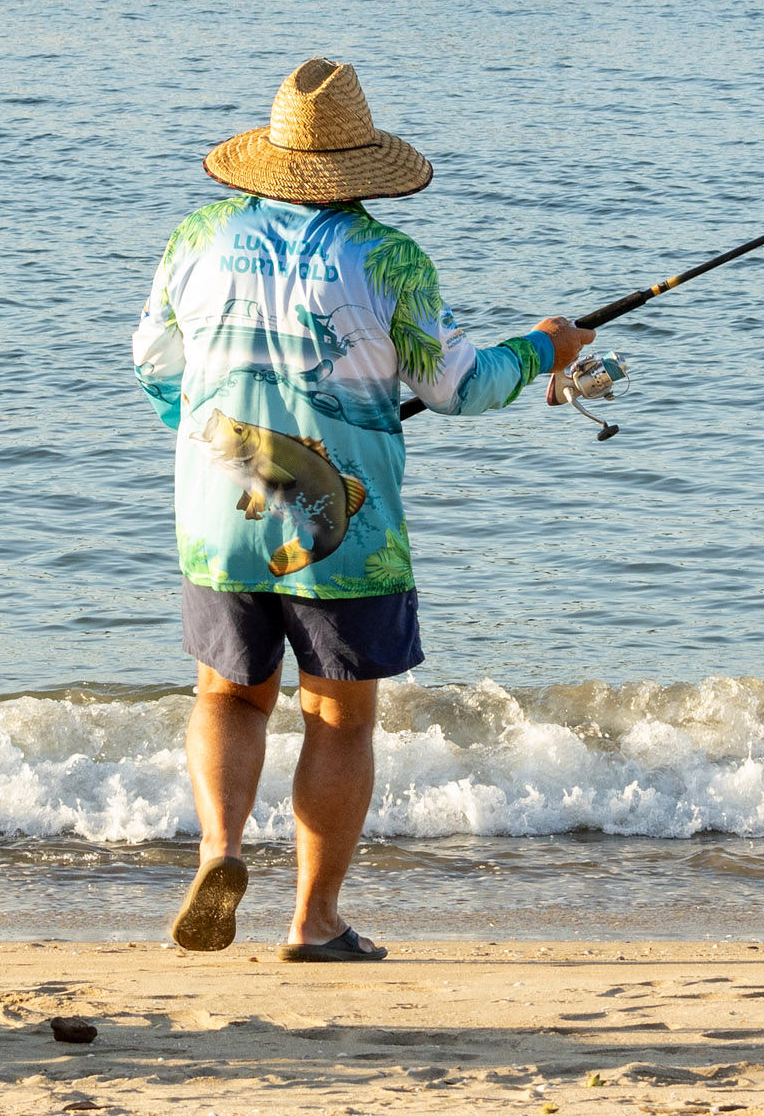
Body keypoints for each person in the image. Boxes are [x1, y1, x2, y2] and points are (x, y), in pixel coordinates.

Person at [132, 57, 592, 962]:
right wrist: (544, 348)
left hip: (217, 516)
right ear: (362, 164)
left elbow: (154, 363)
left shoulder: (200, 236)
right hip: (347, 531)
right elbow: (459, 387)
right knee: (339, 716)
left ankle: (220, 850)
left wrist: (207, 431)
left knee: (228, 695)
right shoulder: (388, 259)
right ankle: (314, 922)